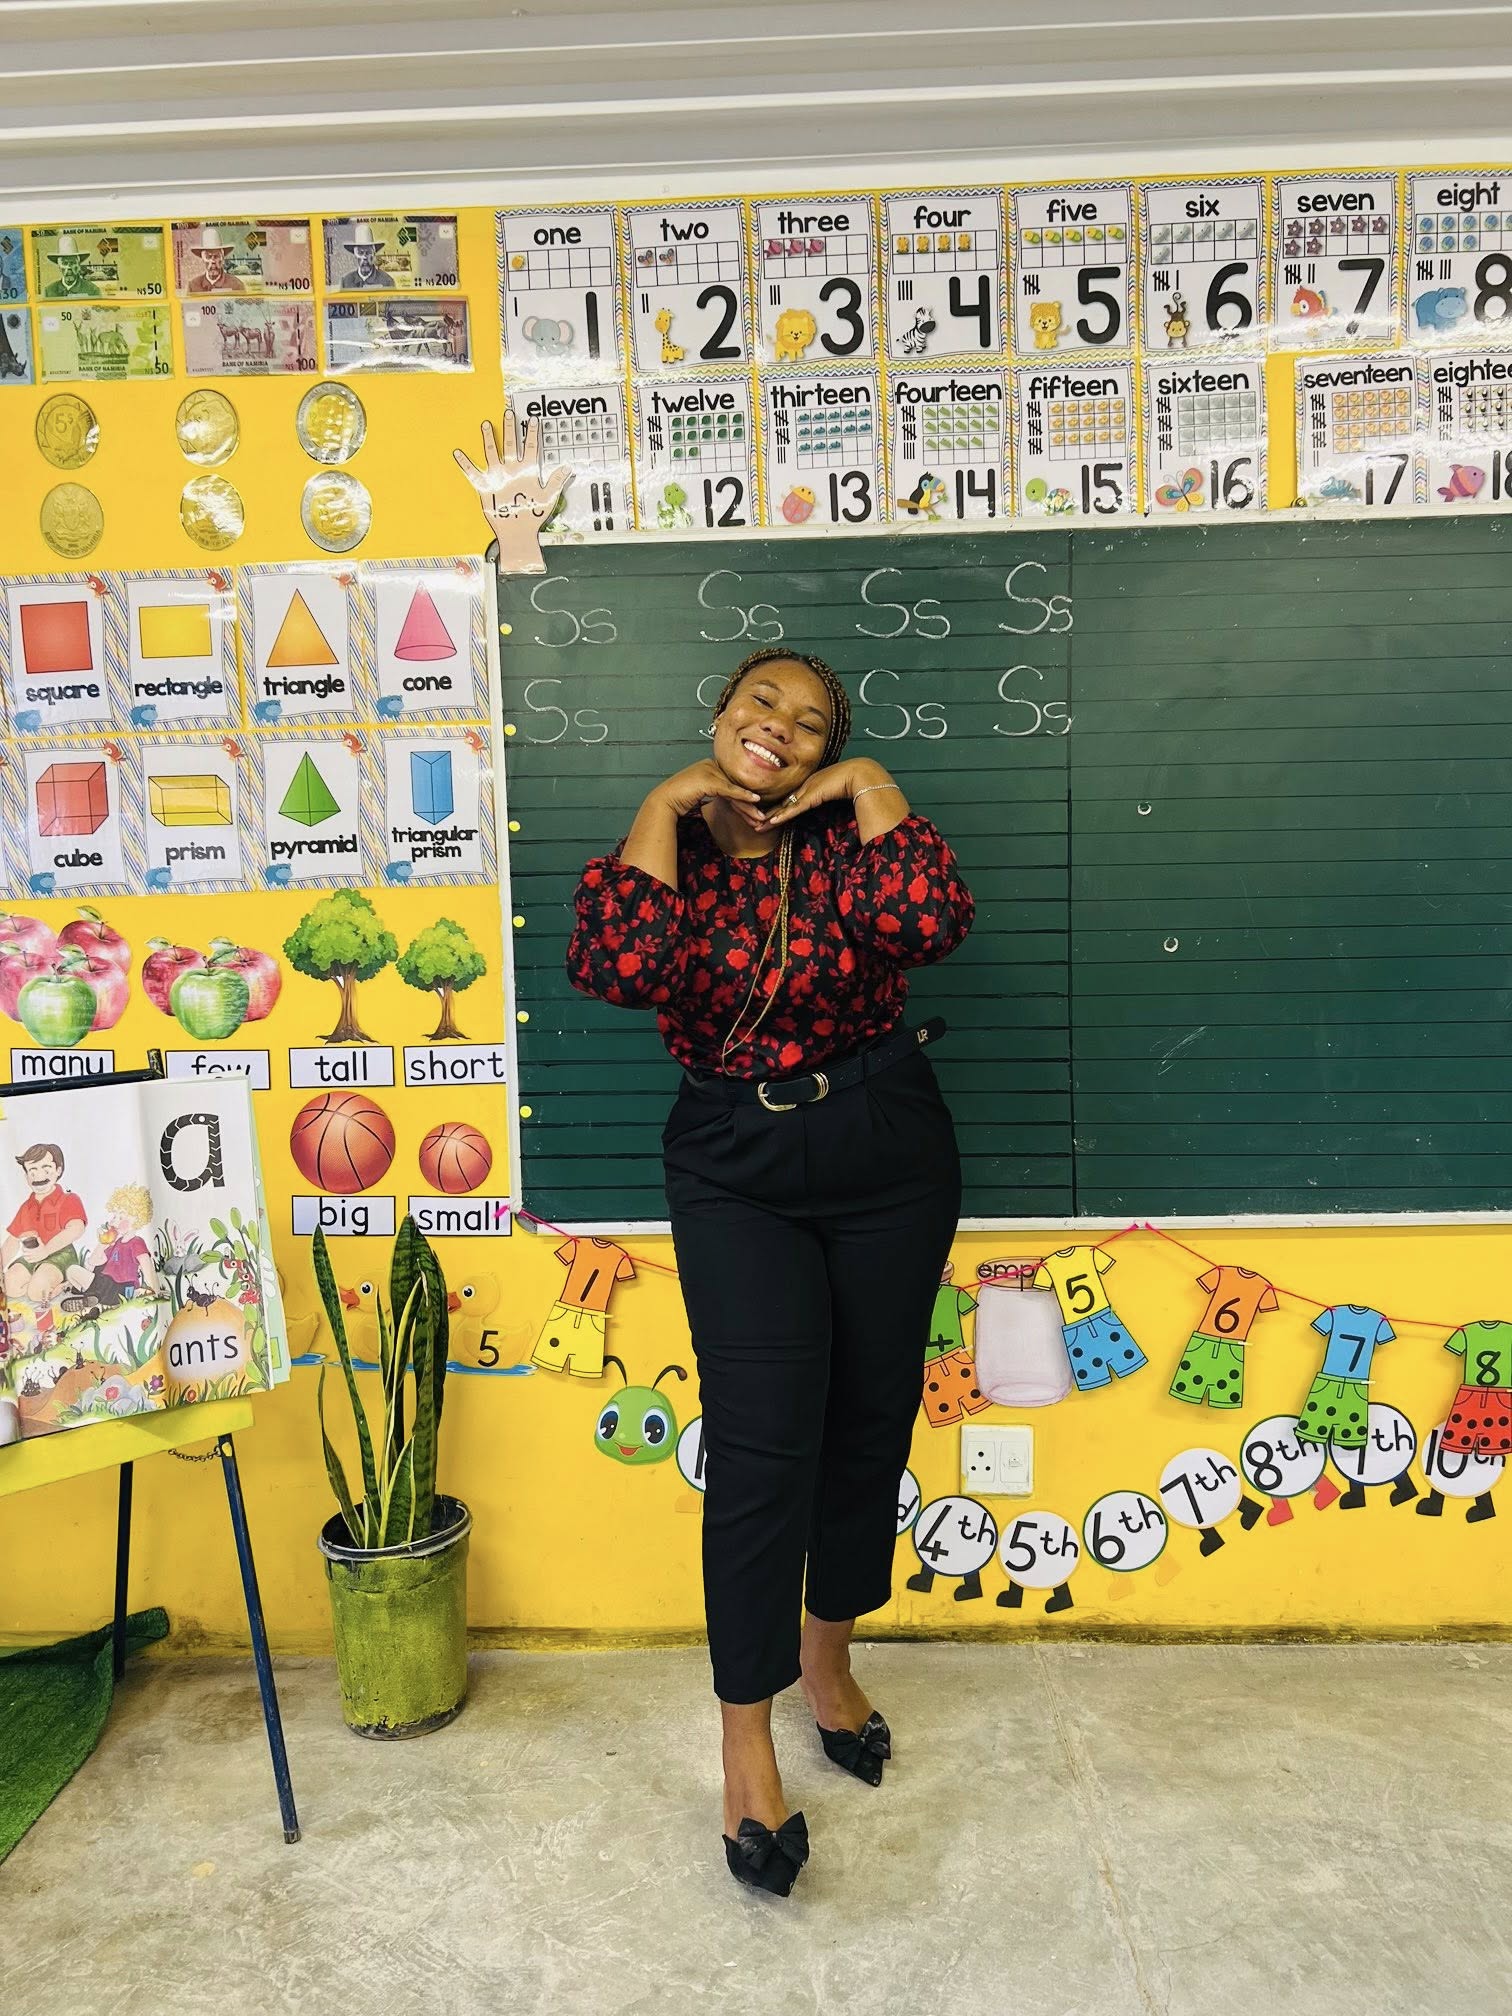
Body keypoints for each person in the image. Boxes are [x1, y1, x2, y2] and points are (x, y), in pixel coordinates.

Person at [566, 646, 974, 1896]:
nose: (780, 729)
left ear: (822, 755)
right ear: (722, 714)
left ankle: (826, 1660)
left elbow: (932, 925)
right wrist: (663, 803)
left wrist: (871, 782)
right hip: (732, 1162)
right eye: (763, 704)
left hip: (887, 1143)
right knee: (760, 1447)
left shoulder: (853, 841)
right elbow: (620, 972)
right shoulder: (666, 851)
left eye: (811, 725)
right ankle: (745, 1735)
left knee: (867, 1420)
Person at [3, 1144, 88, 1310]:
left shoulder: (68, 1199)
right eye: (32, 1171)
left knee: (37, 1292)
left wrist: (46, 1250)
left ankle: (66, 1286)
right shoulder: (26, 1207)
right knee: (10, 1284)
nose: (39, 1176)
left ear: (58, 1170)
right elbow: (12, 1241)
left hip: (61, 1255)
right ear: (26, 1176)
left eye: (46, 1169)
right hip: (33, 1256)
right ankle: (40, 1283)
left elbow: (76, 1228)